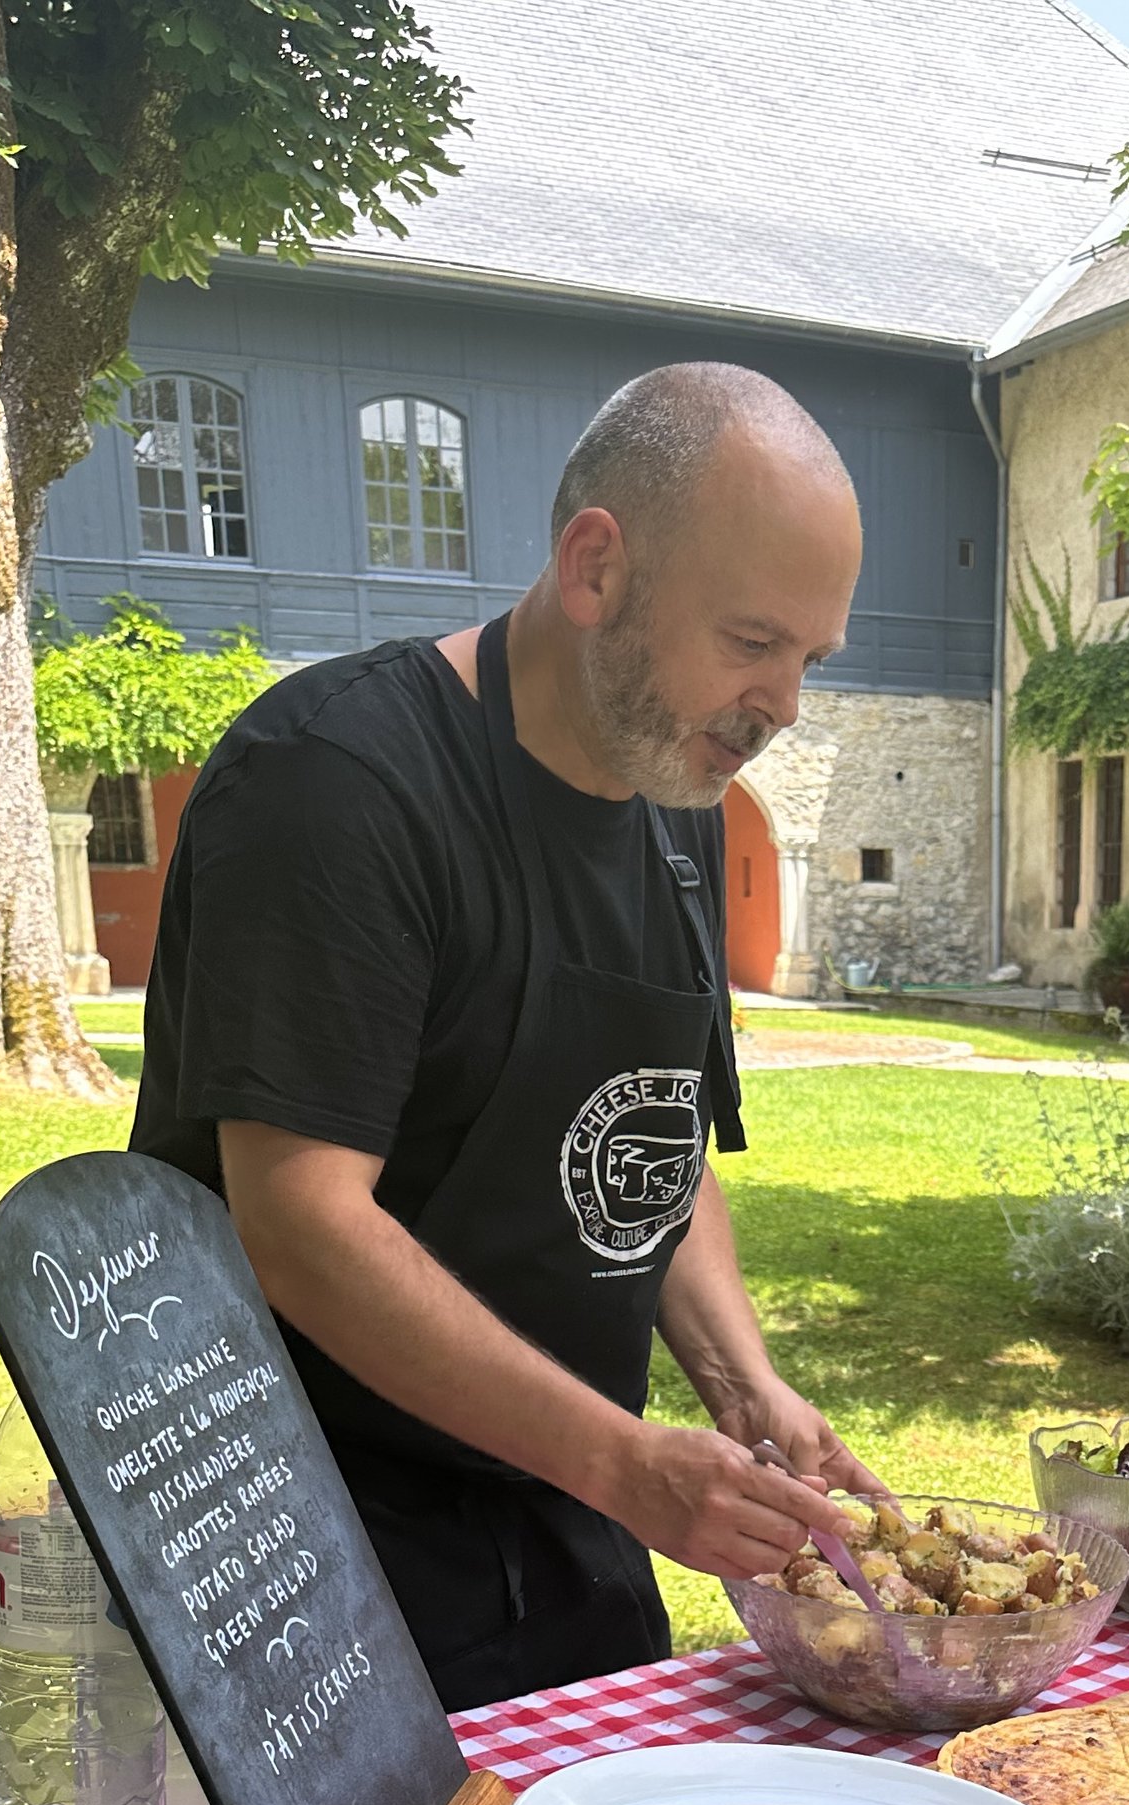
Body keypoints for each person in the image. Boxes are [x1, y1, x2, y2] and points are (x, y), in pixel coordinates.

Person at [131, 361, 873, 1711]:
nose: (784, 706)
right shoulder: (338, 786)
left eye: (809, 660)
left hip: (565, 1532)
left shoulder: (678, 805)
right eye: (753, 640)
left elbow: (661, 1136)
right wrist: (624, 1461)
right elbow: (297, 1219)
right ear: (595, 566)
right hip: (308, 1564)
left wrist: (743, 1387)